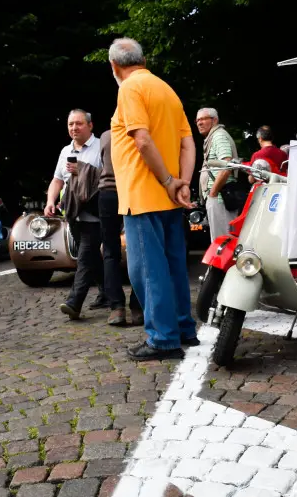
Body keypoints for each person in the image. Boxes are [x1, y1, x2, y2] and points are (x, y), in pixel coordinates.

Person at [109, 37, 198, 361]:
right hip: (171, 198)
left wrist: (167, 180)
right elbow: (187, 143)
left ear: (114, 66)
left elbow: (142, 139)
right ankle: (183, 328)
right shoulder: (167, 90)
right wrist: (182, 182)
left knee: (147, 271)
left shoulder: (130, 89)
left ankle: (162, 338)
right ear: (142, 59)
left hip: (143, 194)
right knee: (174, 267)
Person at [44, 109, 107, 319]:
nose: (74, 128)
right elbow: (57, 180)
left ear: (90, 125)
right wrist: (50, 201)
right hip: (72, 212)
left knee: (84, 256)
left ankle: (74, 302)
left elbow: (110, 177)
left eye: (78, 124)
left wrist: (83, 170)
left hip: (94, 212)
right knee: (89, 255)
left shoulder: (101, 146)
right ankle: (106, 292)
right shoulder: (65, 151)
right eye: (71, 124)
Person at [98, 129, 143, 326]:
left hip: (107, 192)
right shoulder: (138, 132)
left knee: (110, 252)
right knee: (137, 249)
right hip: (133, 190)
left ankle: (116, 308)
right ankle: (137, 306)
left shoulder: (106, 136)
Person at [196, 107, 239, 241]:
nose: (199, 123)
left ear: (214, 120)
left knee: (222, 241)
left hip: (220, 198)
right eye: (197, 120)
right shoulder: (214, 136)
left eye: (203, 119)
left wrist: (213, 192)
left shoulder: (218, 136)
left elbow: (227, 164)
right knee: (221, 240)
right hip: (219, 196)